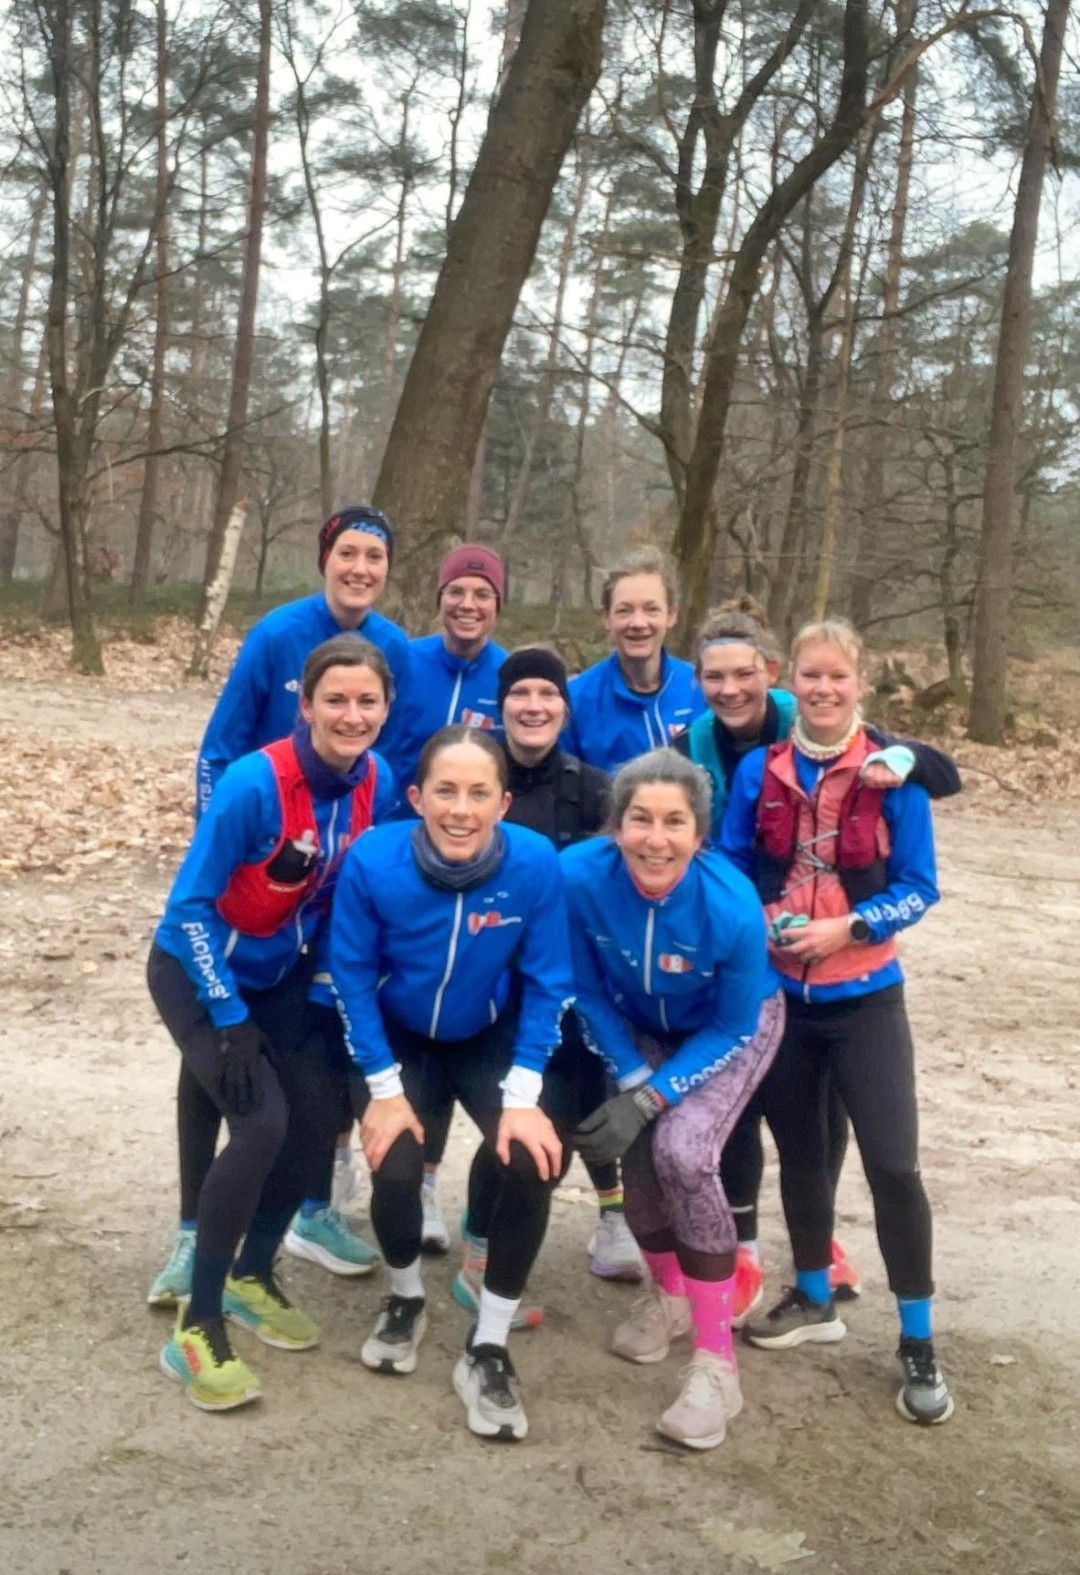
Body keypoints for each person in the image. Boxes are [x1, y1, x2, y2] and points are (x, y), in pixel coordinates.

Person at [672, 596, 961, 1325]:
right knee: (801, 1159)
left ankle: (917, 1333)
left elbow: (920, 887)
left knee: (893, 1164)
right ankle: (811, 1296)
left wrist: (851, 928)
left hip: (867, 993)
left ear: (860, 682)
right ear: (788, 683)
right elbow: (734, 866)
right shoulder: (758, 772)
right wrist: (769, 921)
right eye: (811, 676)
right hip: (784, 1002)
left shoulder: (895, 775)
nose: (824, 689)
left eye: (838, 676)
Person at [148, 508, 401, 1305]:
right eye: (337, 700)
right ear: (308, 702)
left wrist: (329, 982)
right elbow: (191, 896)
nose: (354, 714)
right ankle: (198, 1262)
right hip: (213, 939)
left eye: (369, 703)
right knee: (241, 1099)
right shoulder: (273, 649)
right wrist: (227, 832)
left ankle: (258, 1261)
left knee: (307, 1105)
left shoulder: (378, 778)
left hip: (282, 951)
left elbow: (354, 893)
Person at [328, 726, 575, 1442]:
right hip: (401, 1037)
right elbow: (349, 976)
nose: (460, 808)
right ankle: (405, 1296)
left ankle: (488, 1344)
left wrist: (525, 1097)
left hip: (486, 1034)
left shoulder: (534, 863)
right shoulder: (374, 860)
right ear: (416, 797)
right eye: (444, 790)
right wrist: (381, 1085)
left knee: (533, 1161)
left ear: (503, 800)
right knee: (397, 1164)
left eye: (477, 793)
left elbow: (549, 980)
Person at [561, 749, 784, 1451]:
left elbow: (734, 1022)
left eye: (674, 822)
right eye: (640, 820)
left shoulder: (731, 903)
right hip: (639, 1029)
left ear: (699, 833)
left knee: (683, 1151)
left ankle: (718, 1365)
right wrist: (631, 1077)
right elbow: (586, 986)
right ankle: (670, 1293)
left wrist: (656, 1096)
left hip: (731, 1023)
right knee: (638, 1155)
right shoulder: (579, 878)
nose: (656, 838)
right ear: (616, 825)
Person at [444, 647, 644, 1315]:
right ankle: (477, 1255)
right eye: (520, 693)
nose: (534, 704)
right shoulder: (476, 776)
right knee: (516, 1123)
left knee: (572, 1109)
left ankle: (608, 1217)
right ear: (500, 706)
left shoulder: (594, 788)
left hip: (579, 985)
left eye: (547, 694)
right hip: (494, 984)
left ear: (565, 705)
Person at [395, 543, 509, 1252]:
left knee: (464, 1012)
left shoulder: (512, 676)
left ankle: (440, 1183)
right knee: (402, 1010)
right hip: (402, 857)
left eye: (483, 594)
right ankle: (402, 1174)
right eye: (457, 592)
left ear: (499, 604)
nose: (468, 604)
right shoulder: (404, 660)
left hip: (480, 865)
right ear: (439, 596)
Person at [560, 546, 702, 771]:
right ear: (606, 618)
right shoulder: (575, 701)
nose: (638, 623)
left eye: (651, 609)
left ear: (671, 615)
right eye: (624, 611)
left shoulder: (702, 689)